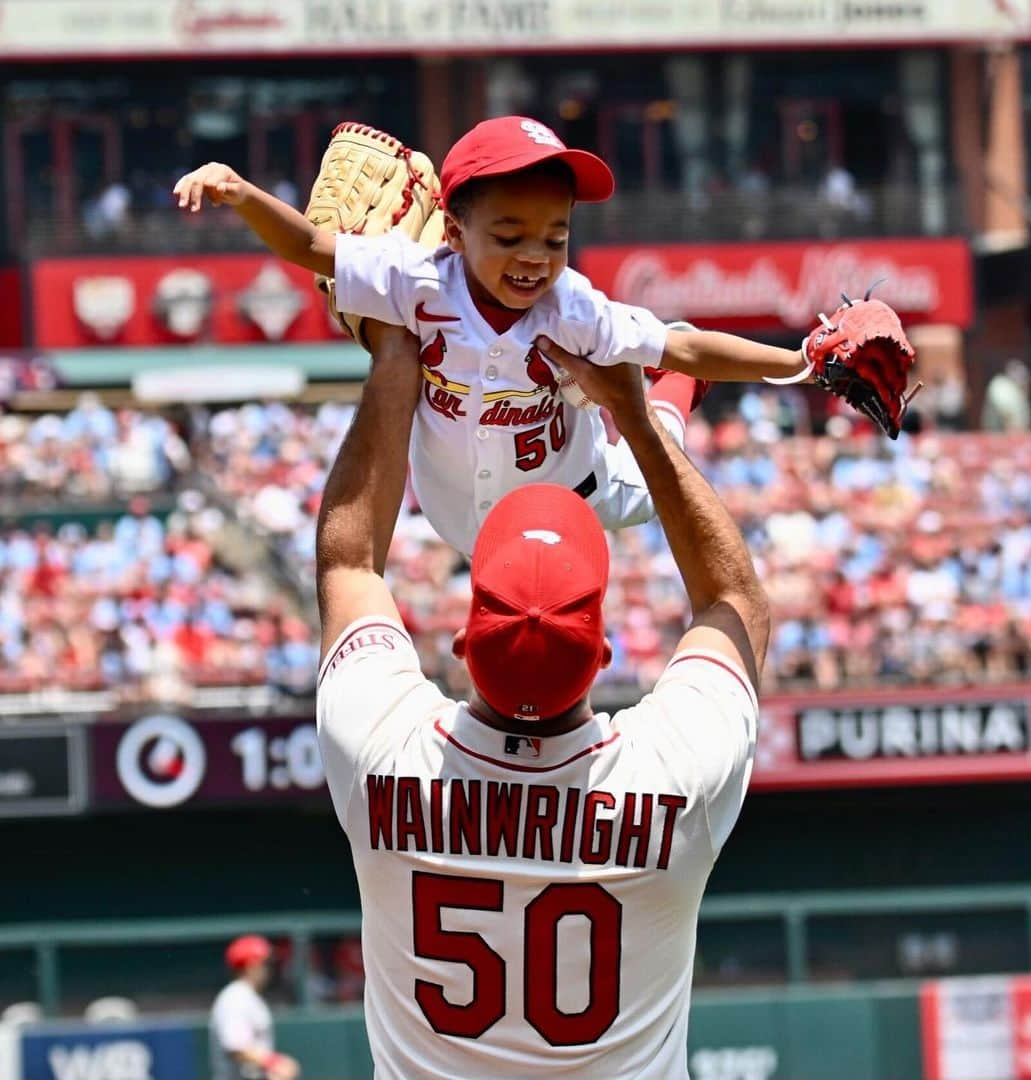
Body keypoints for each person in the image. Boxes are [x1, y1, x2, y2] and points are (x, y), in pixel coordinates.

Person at [314, 324, 770, 1078]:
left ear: (464, 646)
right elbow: (734, 600)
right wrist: (640, 414)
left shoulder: (383, 752)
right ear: (601, 657)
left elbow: (348, 559)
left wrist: (395, 356)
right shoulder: (671, 775)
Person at [174, 115, 810, 554]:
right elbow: (313, 245)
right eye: (509, 237)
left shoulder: (574, 307)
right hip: (450, 511)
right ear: (453, 232)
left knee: (648, 472)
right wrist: (241, 193)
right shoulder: (418, 279)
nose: (535, 256)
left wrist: (805, 364)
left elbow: (688, 344)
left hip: (575, 493)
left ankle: (675, 398)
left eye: (555, 239)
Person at [209, 935, 300, 1080]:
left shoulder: (249, 997)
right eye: (266, 963)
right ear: (251, 965)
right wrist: (275, 1062)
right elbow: (236, 1046)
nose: (270, 969)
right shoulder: (235, 997)